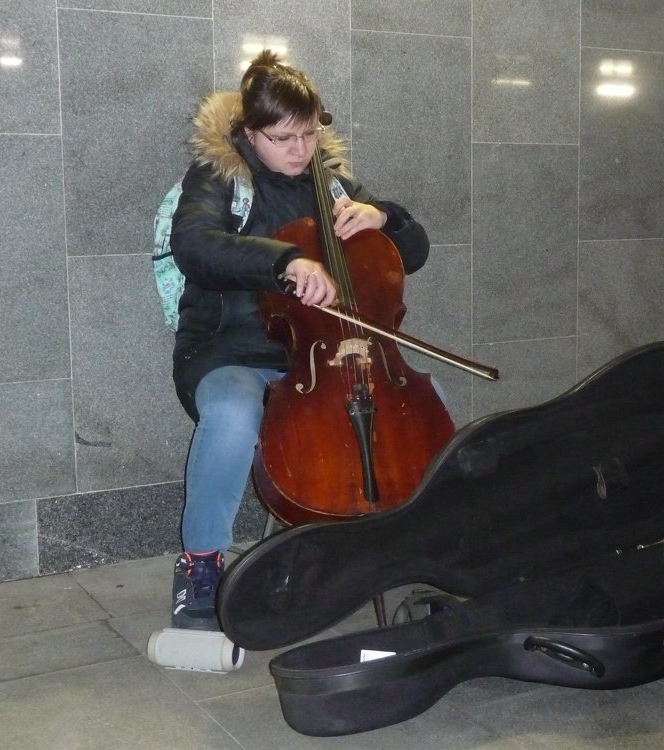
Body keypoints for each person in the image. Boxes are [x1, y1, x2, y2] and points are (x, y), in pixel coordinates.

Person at [168, 50, 430, 630]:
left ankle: (407, 547)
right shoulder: (218, 178)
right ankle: (201, 565)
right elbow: (196, 247)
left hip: (329, 354)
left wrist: (385, 218)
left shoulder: (330, 184)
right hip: (231, 349)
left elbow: (410, 254)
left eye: (310, 134)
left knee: (408, 413)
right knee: (235, 414)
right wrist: (286, 261)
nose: (300, 150)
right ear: (248, 133)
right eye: (283, 138)